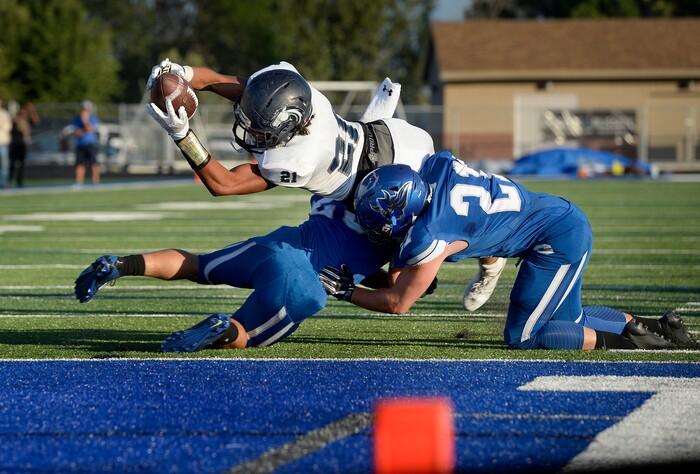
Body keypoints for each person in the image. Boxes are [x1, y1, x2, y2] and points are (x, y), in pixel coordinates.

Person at [145, 58, 505, 309]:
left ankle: (489, 262)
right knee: (448, 213)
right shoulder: (303, 96)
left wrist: (182, 135)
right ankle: (482, 258)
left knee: (417, 259)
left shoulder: (296, 161)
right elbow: (242, 88)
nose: (250, 129)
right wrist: (183, 73)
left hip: (382, 178)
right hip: (397, 136)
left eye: (260, 129)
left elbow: (223, 184)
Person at [318, 151, 700, 350]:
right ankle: (659, 327)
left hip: (555, 238)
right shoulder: (437, 167)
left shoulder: (430, 233)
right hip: (554, 215)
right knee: (573, 318)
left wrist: (346, 290)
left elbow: (399, 302)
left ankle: (629, 342)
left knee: (526, 336)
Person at [74, 195, 401, 351]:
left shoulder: (349, 187)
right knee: (249, 336)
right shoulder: (405, 231)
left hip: (281, 244)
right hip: (304, 284)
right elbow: (397, 296)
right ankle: (224, 328)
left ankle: (121, 265)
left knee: (197, 265)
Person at [9, 102, 40, 188]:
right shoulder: (15, 119)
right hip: (14, 143)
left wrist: (32, 111)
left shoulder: (27, 120)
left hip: (23, 143)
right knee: (12, 163)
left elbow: (36, 121)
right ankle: (9, 180)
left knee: (21, 164)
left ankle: (19, 182)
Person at [72, 100, 100, 186]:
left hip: (91, 144)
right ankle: (79, 182)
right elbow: (76, 133)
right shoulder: (76, 119)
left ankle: (95, 182)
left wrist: (85, 121)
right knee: (79, 164)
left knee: (93, 163)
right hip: (80, 144)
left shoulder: (93, 118)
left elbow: (89, 129)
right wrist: (82, 129)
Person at [0, 100, 11, 188]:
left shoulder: (4, 114)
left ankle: (4, 183)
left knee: (4, 164)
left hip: (2, 141)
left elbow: (8, 127)